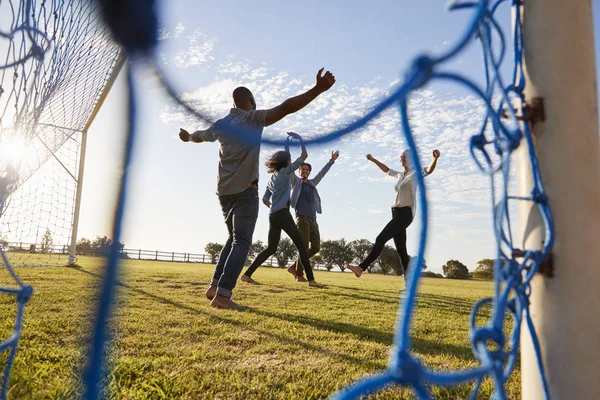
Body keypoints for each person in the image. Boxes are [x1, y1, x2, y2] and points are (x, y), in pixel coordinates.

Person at [179, 68, 335, 310]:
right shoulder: (251, 118)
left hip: (224, 192)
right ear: (250, 102)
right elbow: (285, 108)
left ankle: (214, 286)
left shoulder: (221, 125)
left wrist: (188, 137)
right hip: (245, 191)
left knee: (232, 239)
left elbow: (201, 135)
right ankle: (223, 295)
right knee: (242, 241)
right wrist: (317, 90)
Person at [241, 133, 326, 288]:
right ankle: (311, 280)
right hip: (283, 214)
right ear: (287, 162)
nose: (291, 161)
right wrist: (300, 140)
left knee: (271, 248)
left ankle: (247, 275)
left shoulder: (273, 177)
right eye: (289, 160)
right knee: (302, 246)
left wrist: (287, 145)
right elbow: (304, 155)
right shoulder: (286, 172)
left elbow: (265, 199)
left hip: (273, 215)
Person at [345, 149, 440, 285]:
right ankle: (409, 285)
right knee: (402, 250)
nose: (400, 158)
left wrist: (435, 159)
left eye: (403, 157)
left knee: (380, 238)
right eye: (400, 157)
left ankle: (361, 268)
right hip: (395, 213)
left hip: (405, 214)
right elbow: (387, 170)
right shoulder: (401, 175)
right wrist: (373, 159)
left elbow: (429, 170)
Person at [286, 150, 339, 282]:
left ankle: (294, 266)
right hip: (302, 217)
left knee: (316, 247)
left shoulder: (312, 183)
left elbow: (322, 173)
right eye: (302, 169)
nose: (304, 171)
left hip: (313, 218)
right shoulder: (295, 182)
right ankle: (299, 274)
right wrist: (288, 154)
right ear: (299, 171)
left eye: (306, 169)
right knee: (303, 246)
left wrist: (331, 161)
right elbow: (289, 167)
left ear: (309, 172)